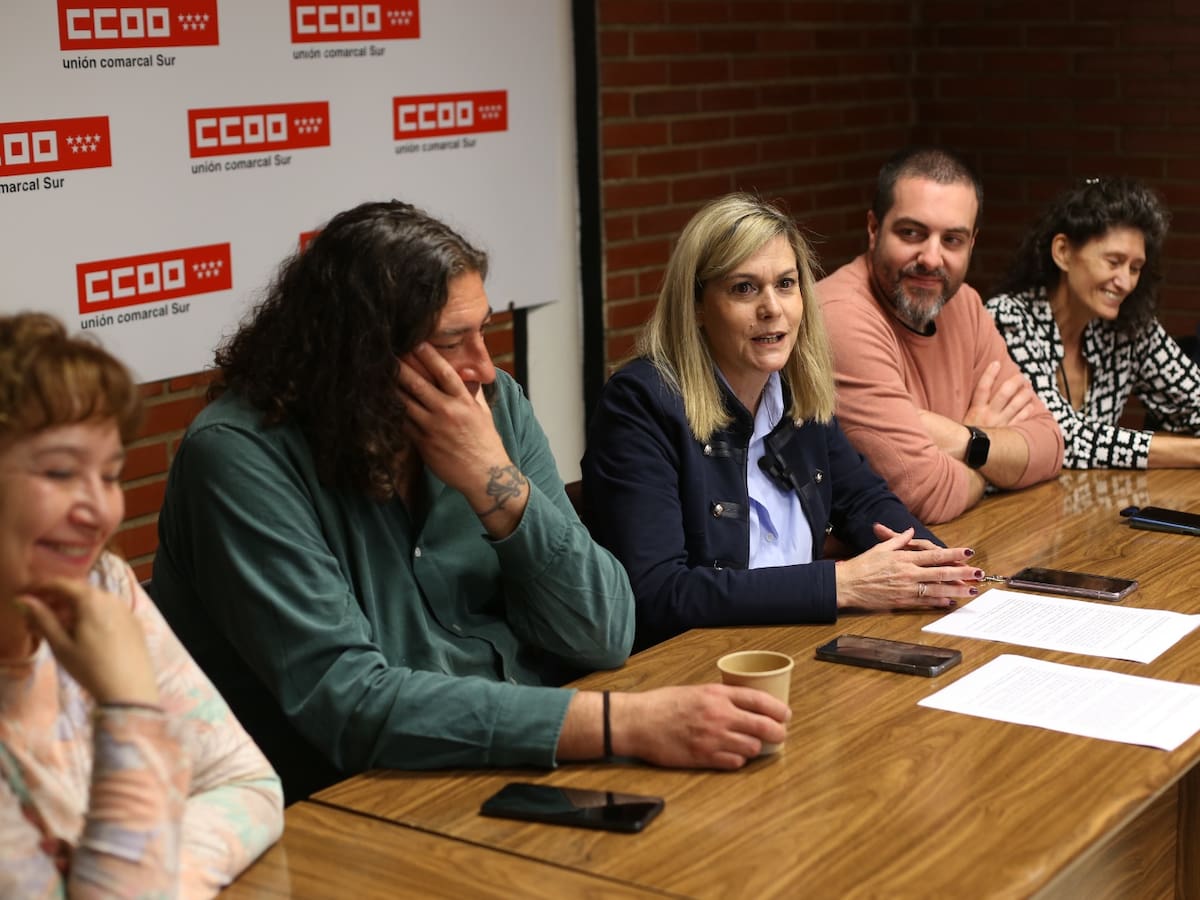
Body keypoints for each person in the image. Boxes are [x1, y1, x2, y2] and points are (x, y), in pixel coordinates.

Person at [152, 200, 791, 803]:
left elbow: (604, 633)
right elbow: (349, 706)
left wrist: (496, 484)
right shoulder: (239, 456)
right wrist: (621, 723)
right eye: (450, 342)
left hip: (529, 763)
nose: (483, 368)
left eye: (482, 331)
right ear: (359, 356)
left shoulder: (493, 405)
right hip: (348, 803)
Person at [581, 193, 984, 650]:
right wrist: (841, 584)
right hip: (696, 663)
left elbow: (864, 500)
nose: (772, 307)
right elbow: (657, 592)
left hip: (796, 643)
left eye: (786, 284)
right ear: (696, 305)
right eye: (744, 288)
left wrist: (936, 567)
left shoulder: (793, 388)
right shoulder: (640, 404)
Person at [0, 313, 282, 897]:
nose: (99, 512)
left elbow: (247, 784)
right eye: (60, 472)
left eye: (110, 475)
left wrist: (144, 878)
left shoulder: (100, 586)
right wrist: (128, 707)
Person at [815, 147, 1063, 524]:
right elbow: (922, 495)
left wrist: (966, 438)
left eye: (952, 240)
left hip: (966, 541)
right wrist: (993, 456)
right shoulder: (840, 316)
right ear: (873, 229)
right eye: (911, 233)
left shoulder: (965, 304)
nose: (931, 259)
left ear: (972, 243)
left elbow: (1049, 446)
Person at [986, 177, 1200, 468]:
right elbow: (1057, 438)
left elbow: (1194, 401)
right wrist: (1193, 453)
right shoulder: (1008, 318)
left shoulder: (1130, 327)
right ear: (1063, 252)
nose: (1125, 282)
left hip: (1092, 497)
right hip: (1016, 498)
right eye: (1113, 262)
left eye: (1135, 268)